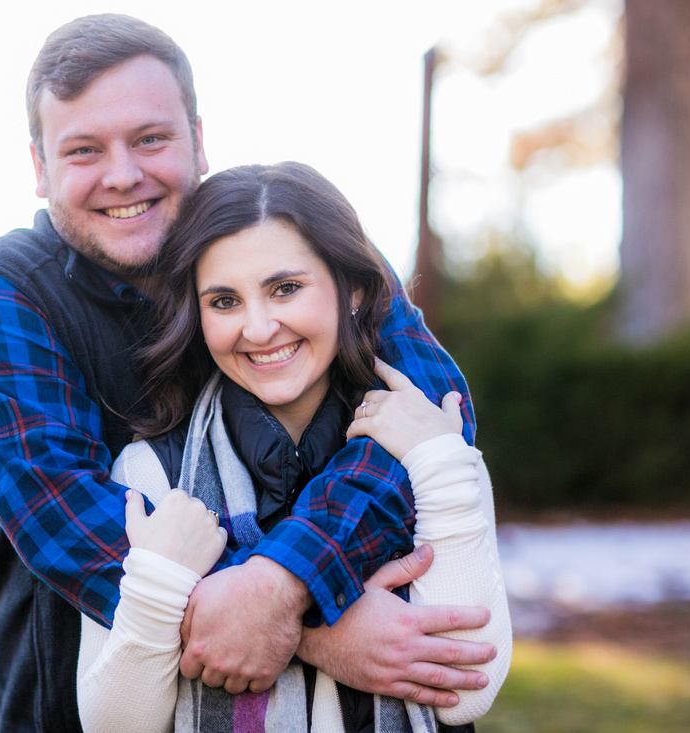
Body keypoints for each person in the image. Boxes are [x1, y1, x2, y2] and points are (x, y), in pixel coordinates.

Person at [0, 14, 496, 731]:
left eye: (150, 138)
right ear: (40, 166)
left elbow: (428, 411)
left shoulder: (298, 237)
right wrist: (318, 624)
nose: (123, 174)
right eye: (83, 149)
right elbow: (66, 520)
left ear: (197, 139)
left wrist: (285, 579)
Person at [75, 162, 512, 732]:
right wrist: (160, 588)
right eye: (225, 301)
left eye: (286, 288)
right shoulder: (154, 473)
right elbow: (116, 725)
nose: (258, 329)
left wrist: (439, 463)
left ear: (352, 289)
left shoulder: (430, 449)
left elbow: (469, 689)